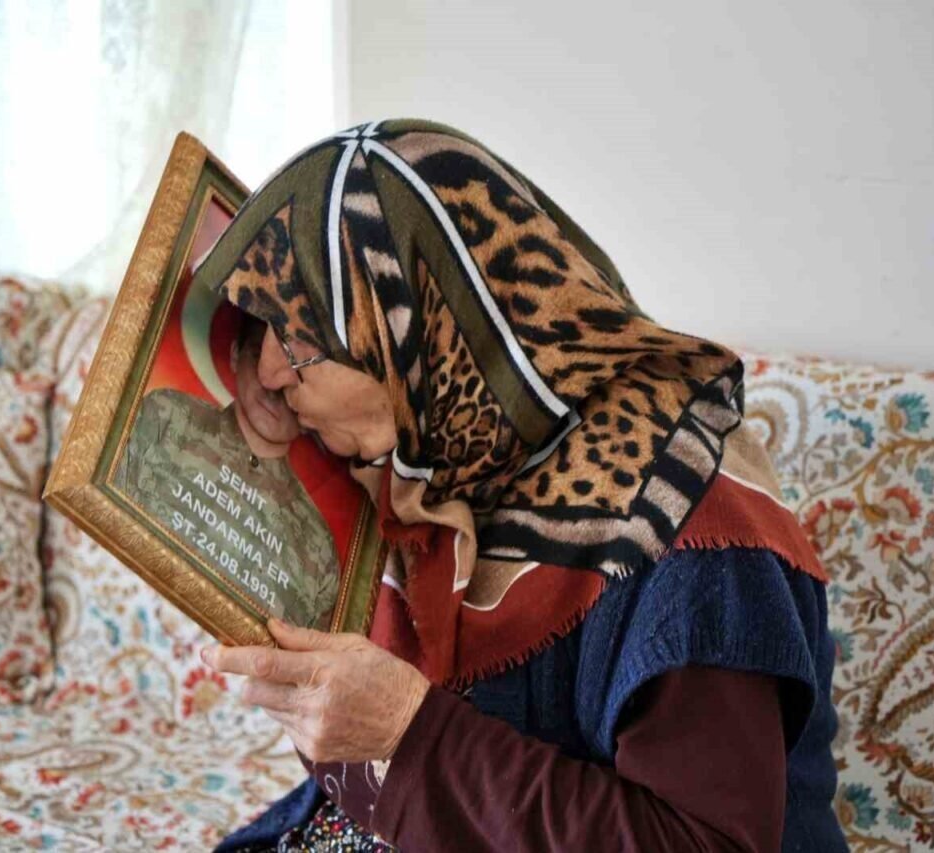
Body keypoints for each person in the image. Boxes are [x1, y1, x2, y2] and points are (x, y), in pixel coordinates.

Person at [189, 118, 847, 852]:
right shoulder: (437, 460)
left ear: (427, 329)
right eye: (266, 325)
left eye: (305, 336)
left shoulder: (694, 543)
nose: (271, 372)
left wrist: (408, 733)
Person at [110, 316, 339, 630]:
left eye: (296, 377)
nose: (274, 388)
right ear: (235, 355)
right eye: (261, 356)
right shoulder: (166, 415)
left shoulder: (317, 544)